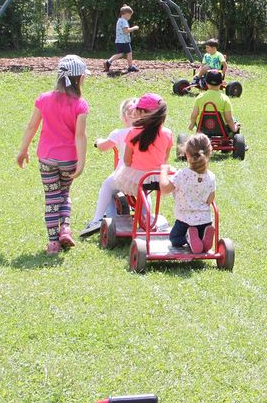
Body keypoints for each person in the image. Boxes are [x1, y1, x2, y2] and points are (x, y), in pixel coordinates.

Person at [15, 55, 89, 254]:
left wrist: (23, 150)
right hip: (69, 159)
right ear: (80, 78)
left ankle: (53, 243)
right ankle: (65, 227)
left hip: (47, 158)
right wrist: (81, 162)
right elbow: (80, 136)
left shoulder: (43, 99)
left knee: (51, 197)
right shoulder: (80, 104)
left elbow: (32, 126)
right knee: (64, 194)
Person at [79, 98, 139, 237]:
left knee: (108, 185)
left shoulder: (119, 133)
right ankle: (146, 217)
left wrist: (98, 141)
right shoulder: (149, 133)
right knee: (144, 191)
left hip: (126, 175)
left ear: (124, 117)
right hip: (146, 175)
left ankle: (97, 218)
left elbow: (104, 146)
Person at [159, 133, 216, 254]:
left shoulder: (182, 174)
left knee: (174, 239)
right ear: (209, 153)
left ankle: (188, 238)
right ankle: (202, 239)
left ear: (187, 154)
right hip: (205, 220)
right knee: (199, 237)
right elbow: (210, 199)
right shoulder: (211, 176)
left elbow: (164, 189)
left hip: (185, 221)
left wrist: (163, 172)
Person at [111, 93, 172, 201]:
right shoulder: (167, 133)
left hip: (137, 176)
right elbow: (165, 159)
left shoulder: (134, 132)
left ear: (142, 112)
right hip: (158, 176)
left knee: (114, 184)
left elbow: (127, 161)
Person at [104, 5, 139, 73]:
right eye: (130, 16)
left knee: (120, 54)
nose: (130, 17)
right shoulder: (124, 21)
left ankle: (108, 62)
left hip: (119, 41)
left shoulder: (119, 20)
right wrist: (134, 28)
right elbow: (126, 31)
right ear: (126, 14)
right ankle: (130, 66)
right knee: (129, 53)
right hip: (124, 41)